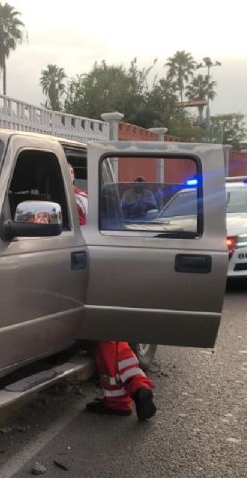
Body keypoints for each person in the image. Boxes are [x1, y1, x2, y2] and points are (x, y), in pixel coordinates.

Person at [71, 165, 156, 421]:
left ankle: (120, 398)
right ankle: (136, 387)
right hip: (103, 267)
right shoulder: (86, 197)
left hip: (83, 274)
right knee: (111, 338)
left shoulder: (70, 202)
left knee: (105, 338)